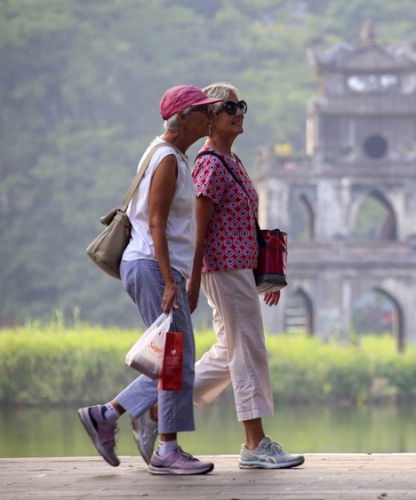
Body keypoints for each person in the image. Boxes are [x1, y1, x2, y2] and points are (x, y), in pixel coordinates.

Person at [132, 82, 304, 469]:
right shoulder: (209, 163)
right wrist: (191, 281)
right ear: (211, 118)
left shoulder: (232, 161)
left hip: (239, 267)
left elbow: (243, 225)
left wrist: (266, 276)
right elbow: (200, 229)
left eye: (241, 105)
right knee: (249, 348)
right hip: (221, 267)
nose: (238, 112)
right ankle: (255, 444)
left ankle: (158, 410)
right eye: (229, 108)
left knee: (230, 352)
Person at [77, 85, 221, 475]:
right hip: (150, 265)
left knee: (174, 359)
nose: (210, 118)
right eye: (203, 111)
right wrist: (169, 280)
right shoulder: (167, 158)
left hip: (157, 267)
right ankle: (165, 449)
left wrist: (184, 278)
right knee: (175, 359)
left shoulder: (171, 155)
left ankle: (109, 415)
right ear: (183, 117)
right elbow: (155, 221)